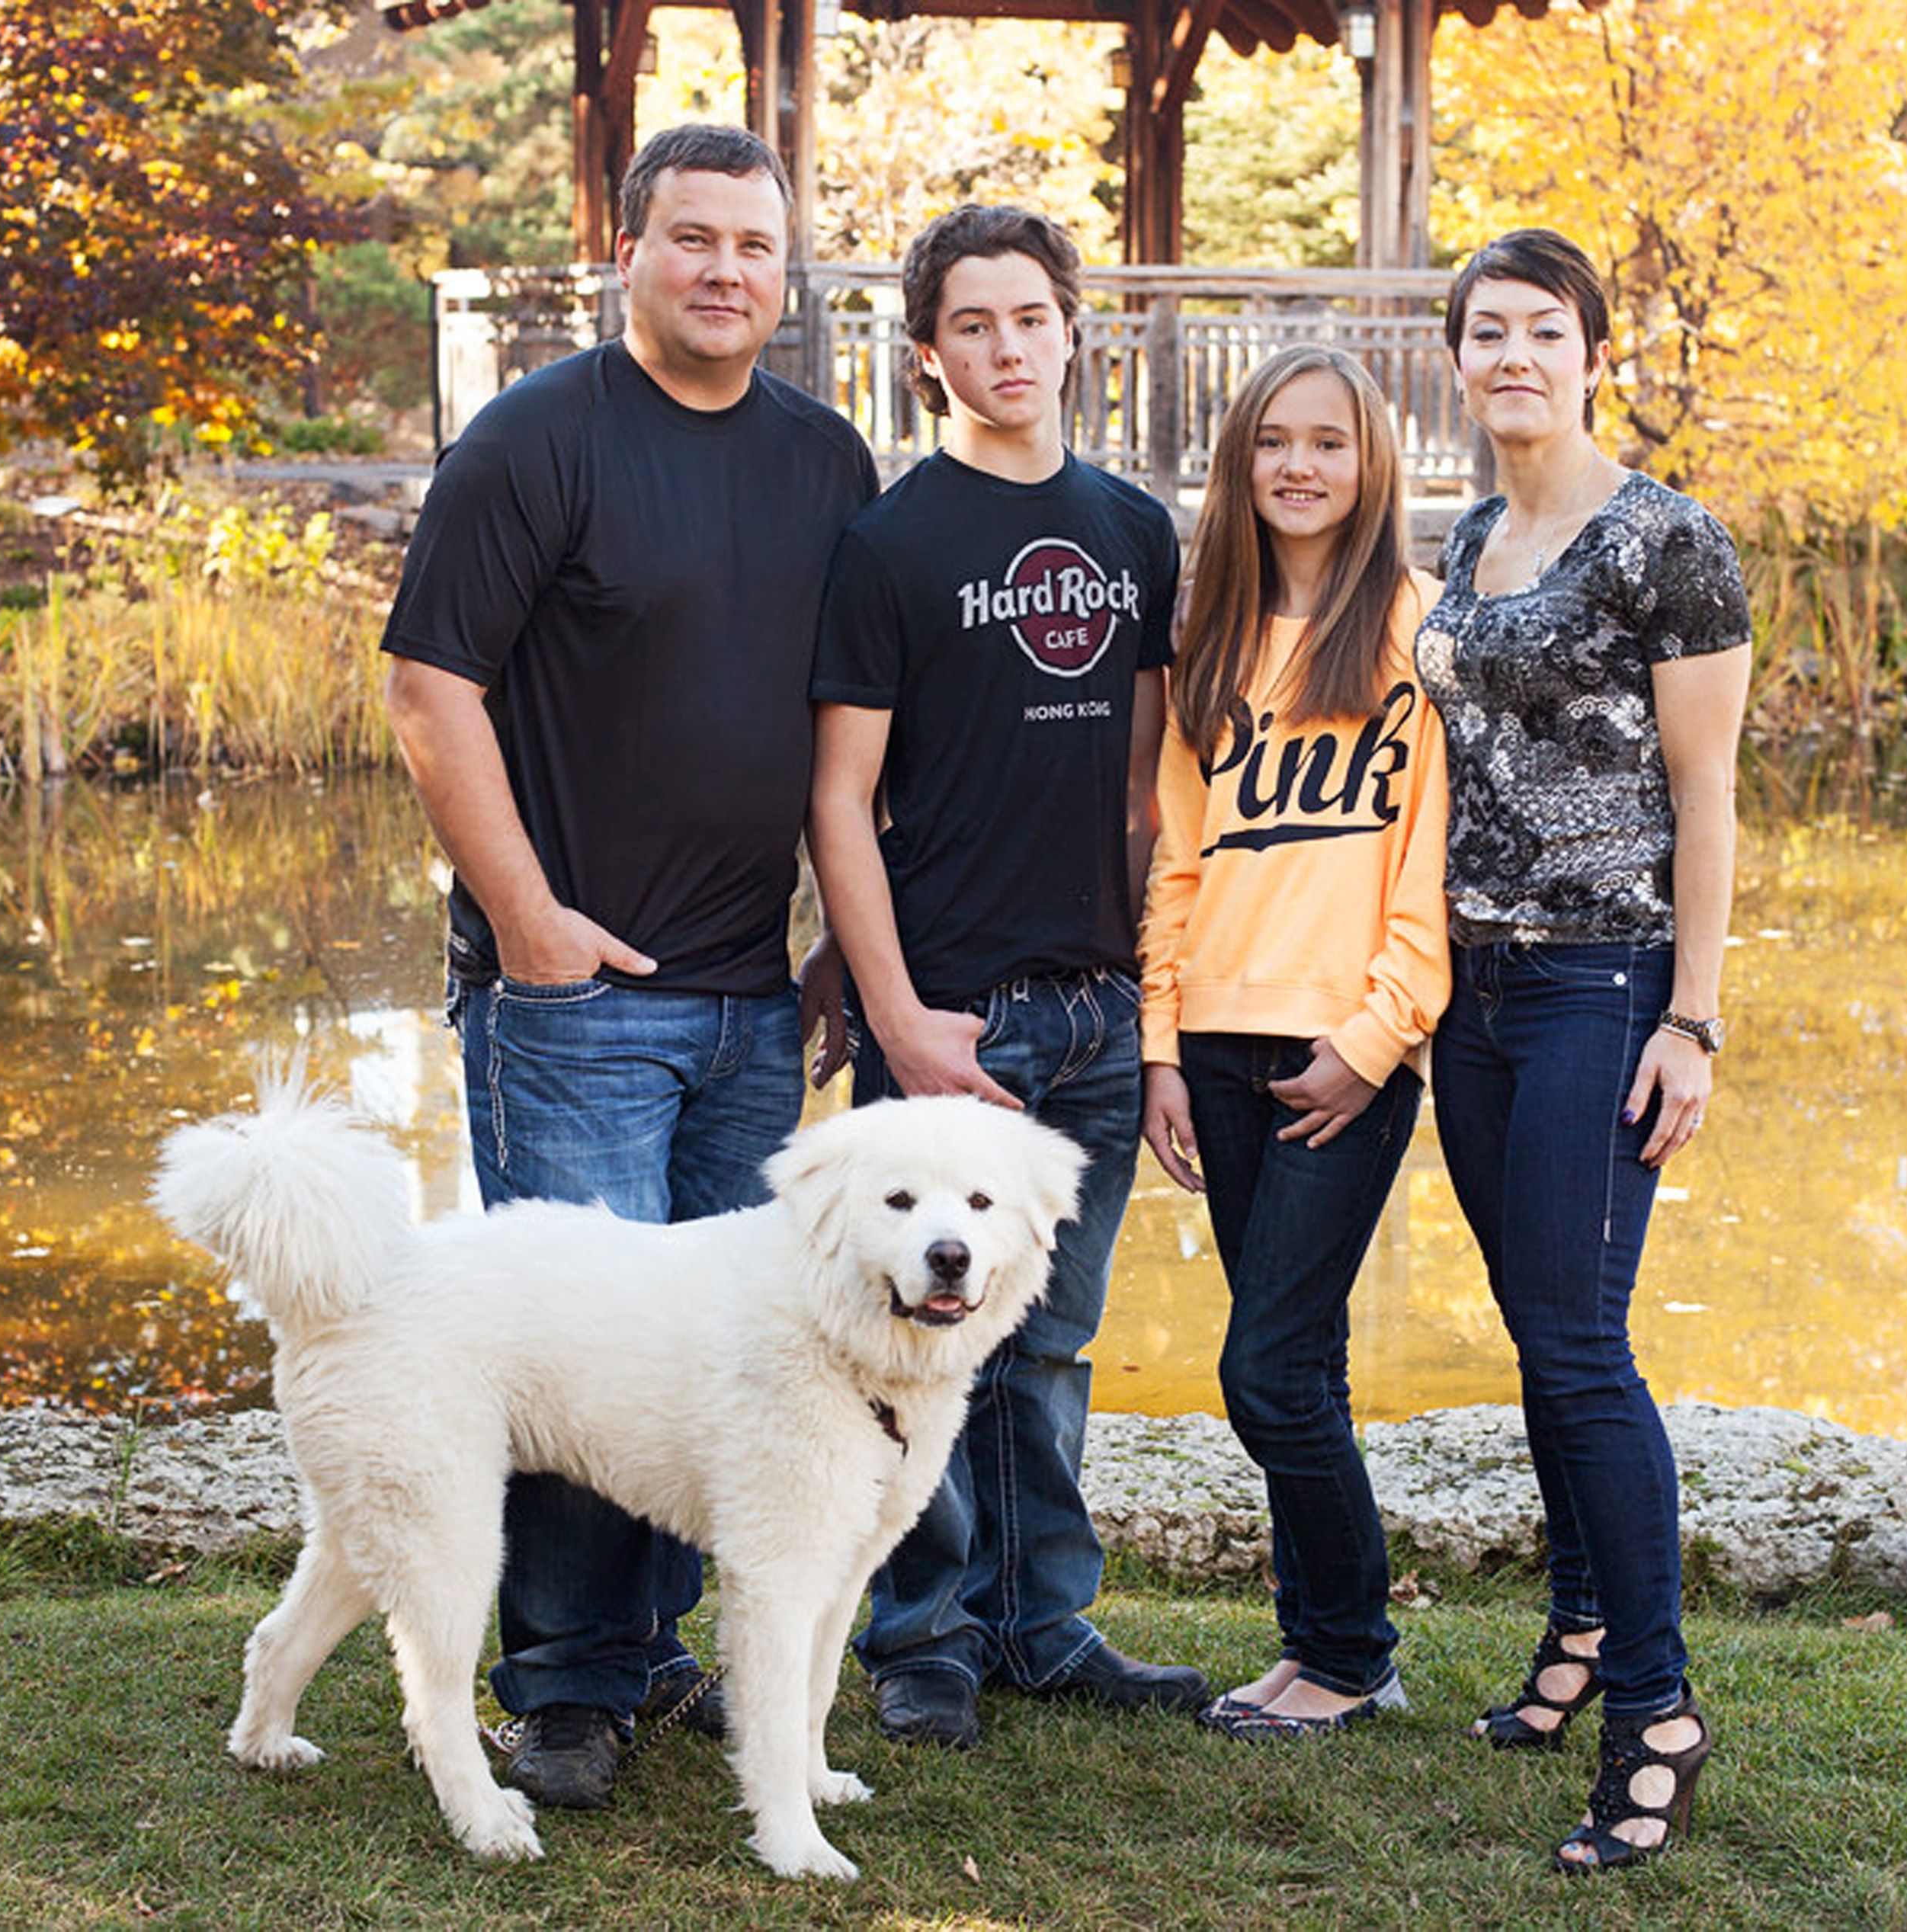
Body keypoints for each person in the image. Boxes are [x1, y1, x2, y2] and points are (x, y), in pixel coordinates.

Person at [376, 123, 880, 1813]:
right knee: (578, 1351)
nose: (725, 269)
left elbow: (840, 738)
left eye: (754, 244)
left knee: (724, 1355)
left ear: (786, 270)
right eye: (692, 238)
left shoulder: (827, 460)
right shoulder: (532, 443)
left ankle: (654, 1644)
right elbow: (430, 688)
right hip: (575, 994)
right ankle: (570, 1690)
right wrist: (525, 918)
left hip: (753, 994)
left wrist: (833, 947)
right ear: (628, 250)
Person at [804, 202, 1206, 1751]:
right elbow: (841, 798)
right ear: (928, 356)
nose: (1005, 347)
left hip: (1096, 1012)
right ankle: (923, 1638)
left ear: (1067, 331)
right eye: (970, 325)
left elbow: (1147, 793)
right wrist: (897, 1016)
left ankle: (1045, 1621)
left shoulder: (1130, 530)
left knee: (1047, 1341)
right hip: (951, 1010)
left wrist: (1152, 1014)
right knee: (909, 1344)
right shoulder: (890, 544)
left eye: (1028, 317)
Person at [1415, 229, 1752, 1869]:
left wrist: (1692, 1014)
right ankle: (1577, 1634)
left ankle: (1658, 1713)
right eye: (1486, 333)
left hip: (1601, 984)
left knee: (1576, 1344)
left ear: (1590, 351)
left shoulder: (1665, 541)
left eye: (1543, 331)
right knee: (1541, 1325)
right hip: (1473, 998)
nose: (1513, 358)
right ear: (1461, 360)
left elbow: (1707, 795)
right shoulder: (1471, 532)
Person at [1133, 346, 1450, 1740]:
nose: (1301, 466)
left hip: (1343, 1055)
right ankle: (1322, 1649)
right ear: (1242, 465)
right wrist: (1159, 1047)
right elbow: (1181, 866)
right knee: (1295, 1360)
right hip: (1216, 1042)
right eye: (1275, 441)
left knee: (1264, 1369)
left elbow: (1431, 873)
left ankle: (1351, 1647)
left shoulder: (1423, 639)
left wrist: (1377, 1043)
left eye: (1329, 441)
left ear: (1371, 463)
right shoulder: (1212, 642)